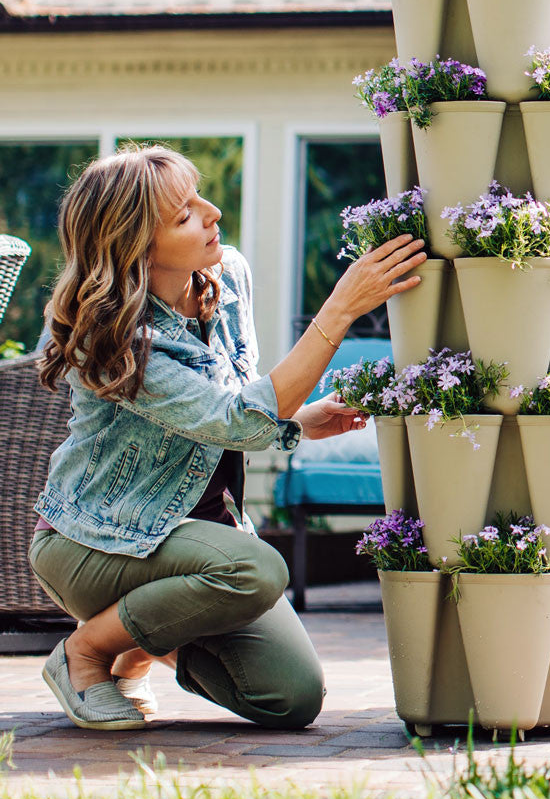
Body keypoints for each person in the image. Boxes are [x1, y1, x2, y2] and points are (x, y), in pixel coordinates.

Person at [30, 144, 426, 731]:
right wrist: (339, 309)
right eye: (184, 214)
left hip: (198, 541)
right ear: (134, 244)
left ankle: (133, 645)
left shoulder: (226, 276)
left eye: (199, 196)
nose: (212, 212)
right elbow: (235, 416)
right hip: (97, 543)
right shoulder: (114, 337)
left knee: (290, 697)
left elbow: (234, 400)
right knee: (256, 570)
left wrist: (297, 420)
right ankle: (85, 653)